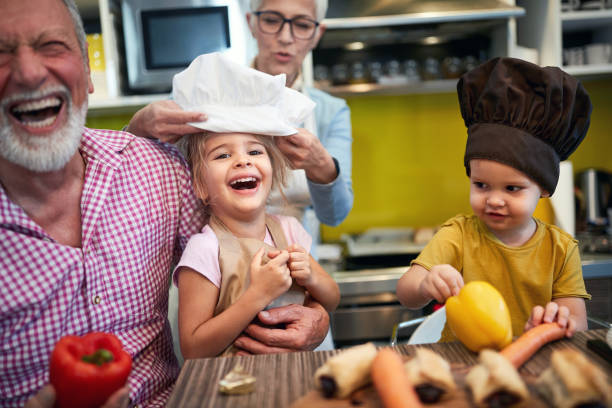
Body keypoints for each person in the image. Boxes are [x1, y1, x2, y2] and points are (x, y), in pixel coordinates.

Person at [0, 1, 326, 407]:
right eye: (1, 52)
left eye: (52, 46)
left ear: (87, 73)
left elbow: (247, 239)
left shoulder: (158, 173)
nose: (29, 72)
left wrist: (317, 315)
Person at [126, 0, 353, 250]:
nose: (286, 37)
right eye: (271, 20)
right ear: (251, 23)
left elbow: (335, 216)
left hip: (295, 261)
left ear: (316, 34)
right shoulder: (207, 95)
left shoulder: (330, 112)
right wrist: (138, 127)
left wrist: (322, 165)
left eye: (301, 25)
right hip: (216, 264)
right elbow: (129, 174)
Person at [396, 57, 593, 342]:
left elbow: (578, 323)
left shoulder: (561, 250)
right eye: (481, 185)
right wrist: (426, 283)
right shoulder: (458, 235)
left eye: (512, 189)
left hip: (535, 365)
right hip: (461, 364)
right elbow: (406, 293)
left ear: (545, 189)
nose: (494, 200)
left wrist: (560, 320)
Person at [171, 53, 340, 358]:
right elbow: (193, 348)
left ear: (273, 171)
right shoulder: (204, 249)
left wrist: (313, 277)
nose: (243, 160)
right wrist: (257, 295)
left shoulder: (289, 230)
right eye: (222, 155)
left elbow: (332, 298)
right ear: (199, 185)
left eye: (255, 151)